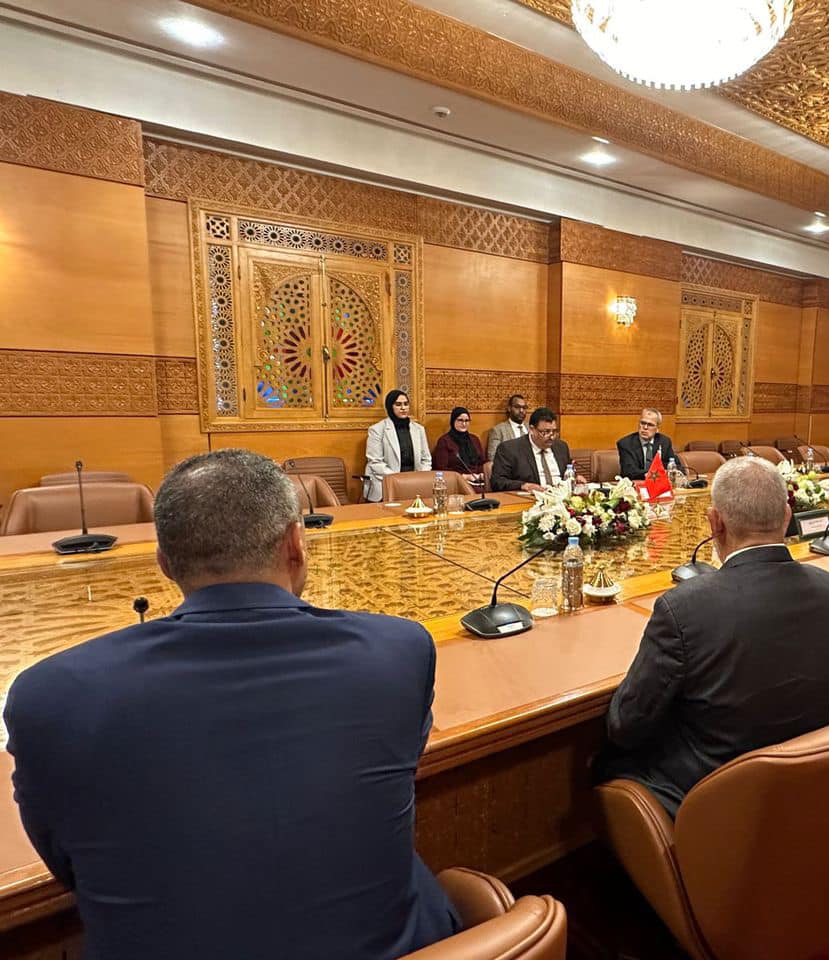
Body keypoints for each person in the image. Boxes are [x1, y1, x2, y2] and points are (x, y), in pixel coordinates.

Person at [3, 449, 459, 960]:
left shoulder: (48, 697)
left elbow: (67, 864)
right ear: (296, 545)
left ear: (163, 562)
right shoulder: (398, 651)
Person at [593, 457, 829, 817]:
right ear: (787, 517)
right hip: (814, 785)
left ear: (715, 522)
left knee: (603, 761)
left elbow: (625, 725)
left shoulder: (684, 607)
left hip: (717, 798)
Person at [364, 389, 430, 502]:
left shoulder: (419, 429)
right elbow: (375, 463)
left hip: (414, 483)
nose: (403, 408)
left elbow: (426, 459)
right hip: (386, 483)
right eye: (398, 404)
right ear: (390, 407)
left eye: (406, 404)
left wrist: (420, 477)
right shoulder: (377, 430)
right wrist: (399, 480)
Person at [489, 406, 571, 492]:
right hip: (530, 497)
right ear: (532, 429)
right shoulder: (509, 449)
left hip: (561, 495)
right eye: (546, 432)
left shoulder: (561, 447)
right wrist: (523, 485)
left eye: (554, 431)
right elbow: (497, 482)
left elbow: (569, 473)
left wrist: (575, 478)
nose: (552, 437)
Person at [616, 407, 682, 481]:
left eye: (650, 425)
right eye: (642, 423)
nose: (645, 427)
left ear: (657, 428)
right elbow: (628, 472)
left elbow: (677, 466)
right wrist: (654, 474)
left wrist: (665, 472)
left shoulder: (664, 442)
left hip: (659, 484)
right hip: (636, 483)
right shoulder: (625, 443)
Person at [431, 406, 485, 489]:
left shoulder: (474, 439)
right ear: (453, 421)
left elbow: (482, 462)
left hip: (478, 480)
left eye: (467, 421)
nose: (464, 424)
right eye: (460, 420)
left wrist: (481, 474)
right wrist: (465, 476)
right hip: (457, 482)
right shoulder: (444, 441)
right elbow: (441, 468)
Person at [485, 394, 531, 462]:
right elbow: (493, 456)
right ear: (509, 408)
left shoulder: (532, 428)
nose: (521, 410)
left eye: (524, 407)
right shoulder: (498, 431)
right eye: (517, 407)